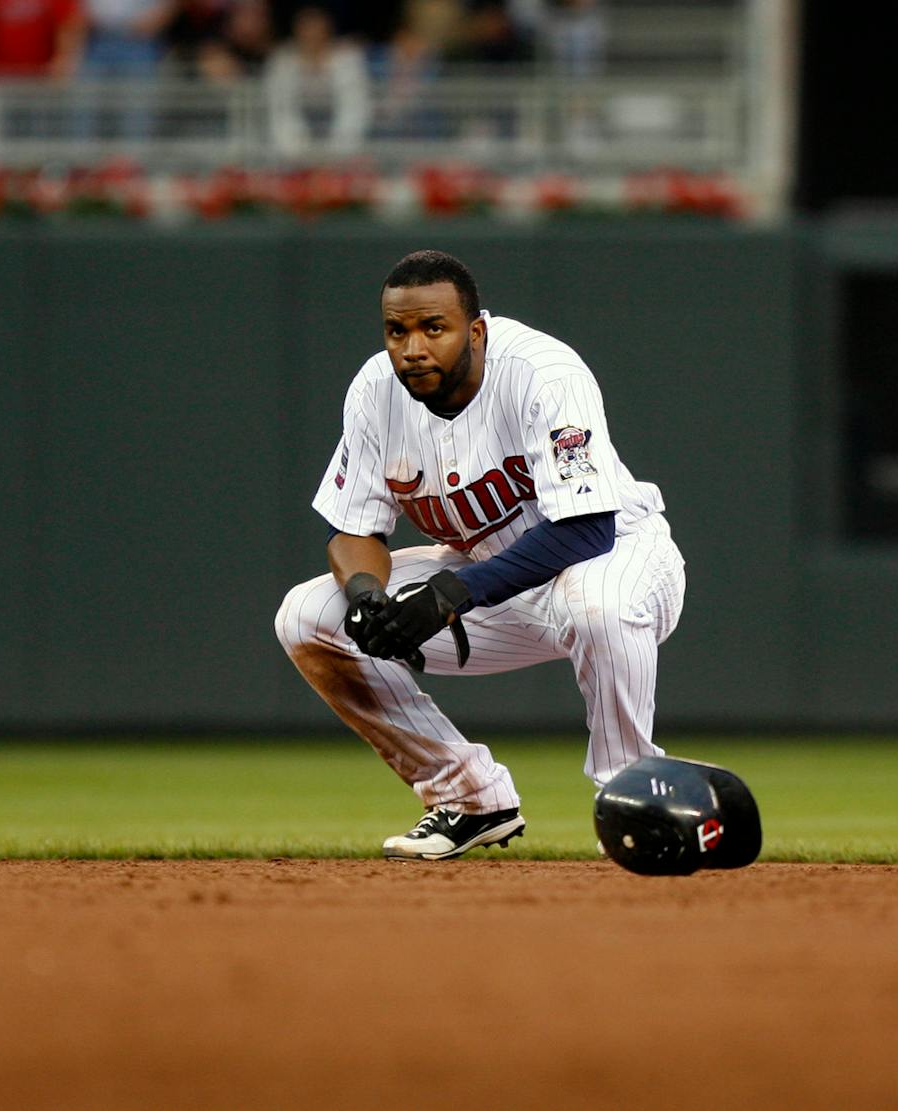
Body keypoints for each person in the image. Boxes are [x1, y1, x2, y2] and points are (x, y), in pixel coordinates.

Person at [274, 250, 686, 861]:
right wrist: (367, 597)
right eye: (398, 330)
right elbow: (353, 527)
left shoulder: (542, 372)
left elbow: (587, 531)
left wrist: (448, 596)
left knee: (598, 603)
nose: (412, 348)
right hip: (491, 583)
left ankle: (632, 798)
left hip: (620, 559)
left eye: (432, 328)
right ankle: (469, 799)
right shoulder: (376, 390)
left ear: (476, 330)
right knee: (308, 618)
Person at [260, 2, 363, 157]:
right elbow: (279, 109)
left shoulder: (347, 58)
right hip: (292, 146)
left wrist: (340, 149)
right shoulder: (282, 61)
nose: (312, 33)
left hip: (341, 143)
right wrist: (295, 147)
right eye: (306, 27)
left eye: (317, 26)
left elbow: (356, 107)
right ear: (297, 30)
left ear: (328, 29)